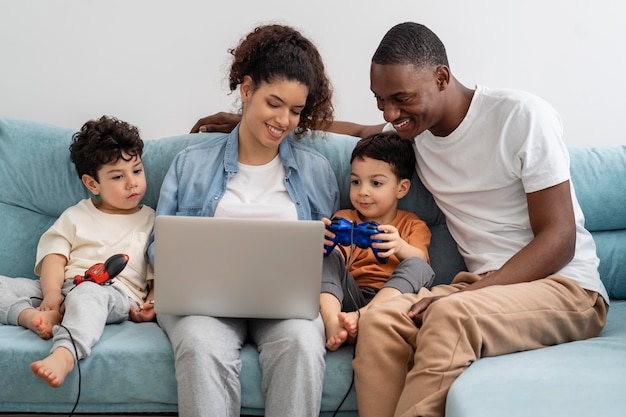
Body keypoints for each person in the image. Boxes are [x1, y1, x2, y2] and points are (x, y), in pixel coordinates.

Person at [189, 22, 609, 417]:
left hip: (564, 287)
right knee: (380, 319)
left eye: (400, 99)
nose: (390, 114)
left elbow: (560, 238)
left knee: (449, 315)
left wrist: (462, 296)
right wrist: (247, 122)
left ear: (441, 77)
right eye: (380, 100)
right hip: (482, 287)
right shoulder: (417, 132)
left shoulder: (521, 117)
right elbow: (354, 132)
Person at [148, 24, 339, 417]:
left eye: (296, 110)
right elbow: (158, 245)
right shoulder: (191, 163)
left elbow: (329, 251)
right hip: (203, 307)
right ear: (247, 90)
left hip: (286, 308)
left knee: (303, 343)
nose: (284, 120)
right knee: (201, 343)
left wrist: (325, 246)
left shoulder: (317, 171)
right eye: (274, 103)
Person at [0, 115, 156, 388]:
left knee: (88, 294)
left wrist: (153, 302)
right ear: (92, 184)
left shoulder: (152, 220)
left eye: (137, 171)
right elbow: (54, 256)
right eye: (118, 176)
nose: (132, 183)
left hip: (113, 293)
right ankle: (31, 317)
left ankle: (65, 354)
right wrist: (50, 295)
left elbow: (161, 270)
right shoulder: (76, 215)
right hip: (63, 288)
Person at [320, 131, 434, 351]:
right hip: (347, 295)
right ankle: (333, 321)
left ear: (401, 188)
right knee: (325, 256)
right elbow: (336, 260)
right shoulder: (344, 217)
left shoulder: (413, 224)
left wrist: (399, 246)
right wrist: (327, 240)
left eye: (376, 183)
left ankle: (363, 317)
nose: (363, 191)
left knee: (419, 265)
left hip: (392, 299)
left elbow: (422, 261)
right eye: (355, 181)